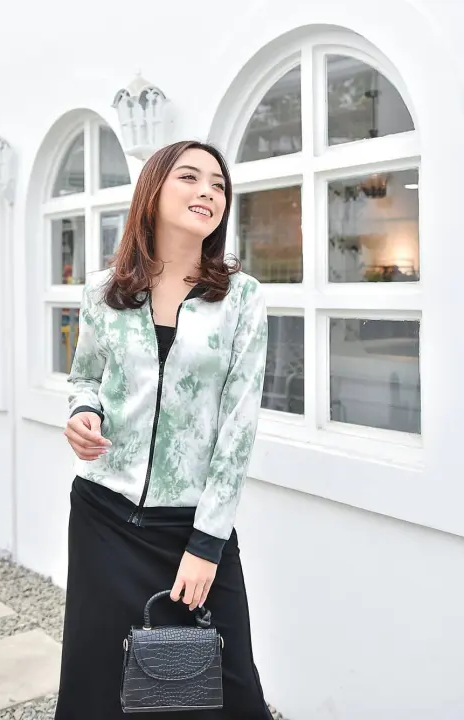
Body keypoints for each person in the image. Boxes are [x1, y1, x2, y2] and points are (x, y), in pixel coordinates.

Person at [55, 140, 272, 719]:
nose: (208, 191)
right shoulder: (104, 292)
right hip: (104, 514)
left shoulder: (242, 298)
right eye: (190, 177)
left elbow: (238, 428)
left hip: (191, 524)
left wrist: (206, 545)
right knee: (99, 682)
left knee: (230, 691)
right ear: (152, 192)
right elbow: (85, 378)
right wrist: (83, 414)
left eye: (218, 185)